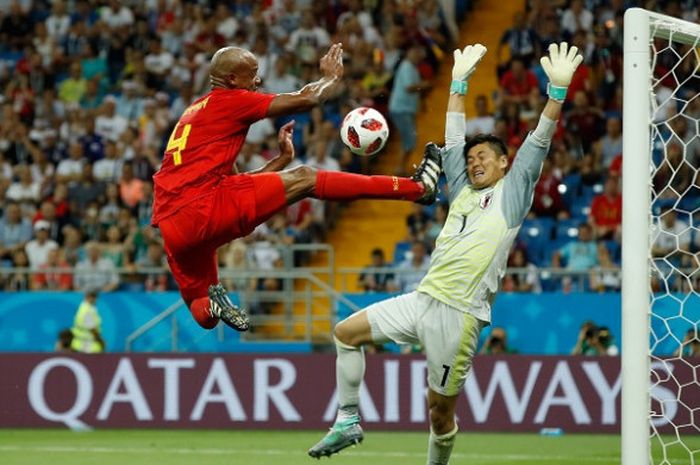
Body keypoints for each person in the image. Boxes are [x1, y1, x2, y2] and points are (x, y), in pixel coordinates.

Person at [308, 42, 582, 463]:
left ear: (506, 163)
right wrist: (457, 83)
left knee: (439, 414)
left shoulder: (513, 192)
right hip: (423, 299)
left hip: (458, 316)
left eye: (484, 157)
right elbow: (454, 136)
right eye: (471, 159)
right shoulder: (463, 192)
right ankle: (347, 420)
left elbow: (539, 141)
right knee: (345, 333)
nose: (474, 163)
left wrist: (557, 93)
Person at [152, 43, 441, 333]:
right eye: (252, 75)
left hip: (172, 225)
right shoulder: (230, 99)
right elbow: (307, 99)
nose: (258, 81)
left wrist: (281, 160)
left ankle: (215, 305)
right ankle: (417, 187)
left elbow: (241, 185)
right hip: (201, 208)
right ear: (232, 80)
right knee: (306, 178)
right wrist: (330, 78)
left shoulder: (193, 112)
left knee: (201, 305)